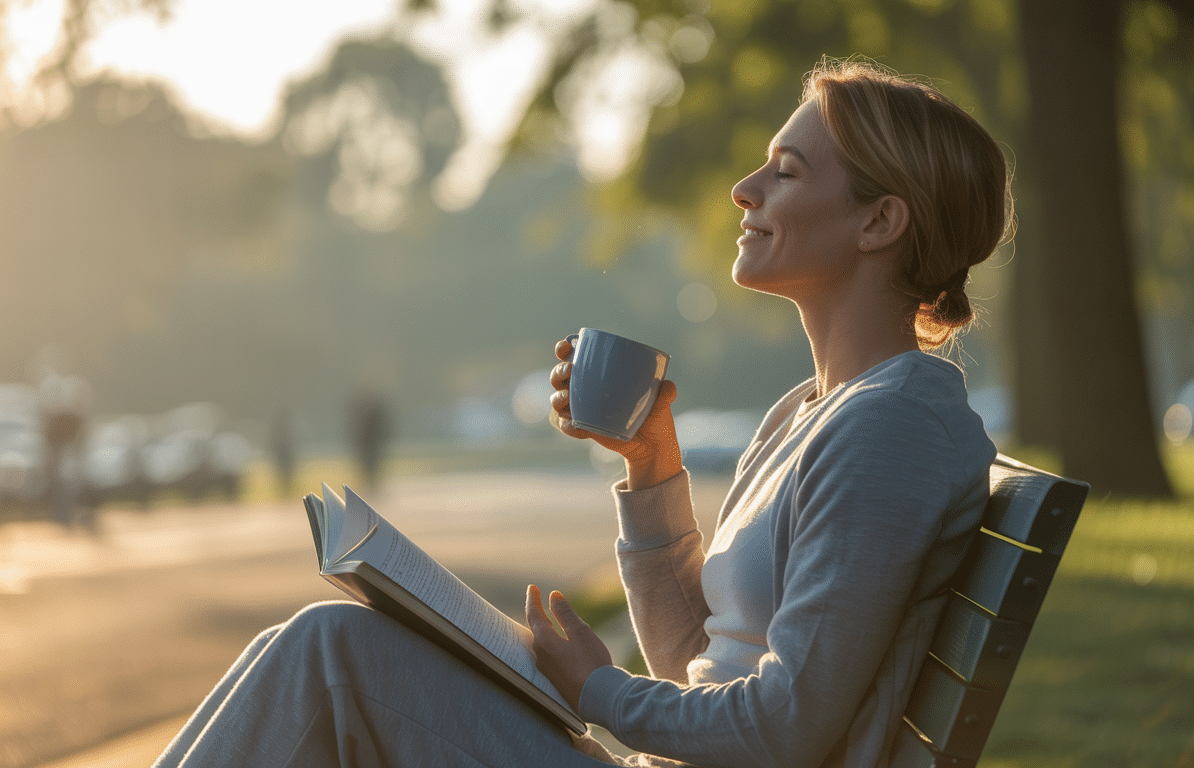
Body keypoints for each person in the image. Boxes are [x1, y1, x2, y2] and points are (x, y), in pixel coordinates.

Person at [152, 57, 1009, 768]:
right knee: (308, 648)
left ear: (879, 221)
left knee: (327, 657)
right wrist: (651, 469)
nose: (745, 190)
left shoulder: (891, 428)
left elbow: (787, 728)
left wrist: (596, 690)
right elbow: (691, 665)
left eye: (786, 173)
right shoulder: (816, 411)